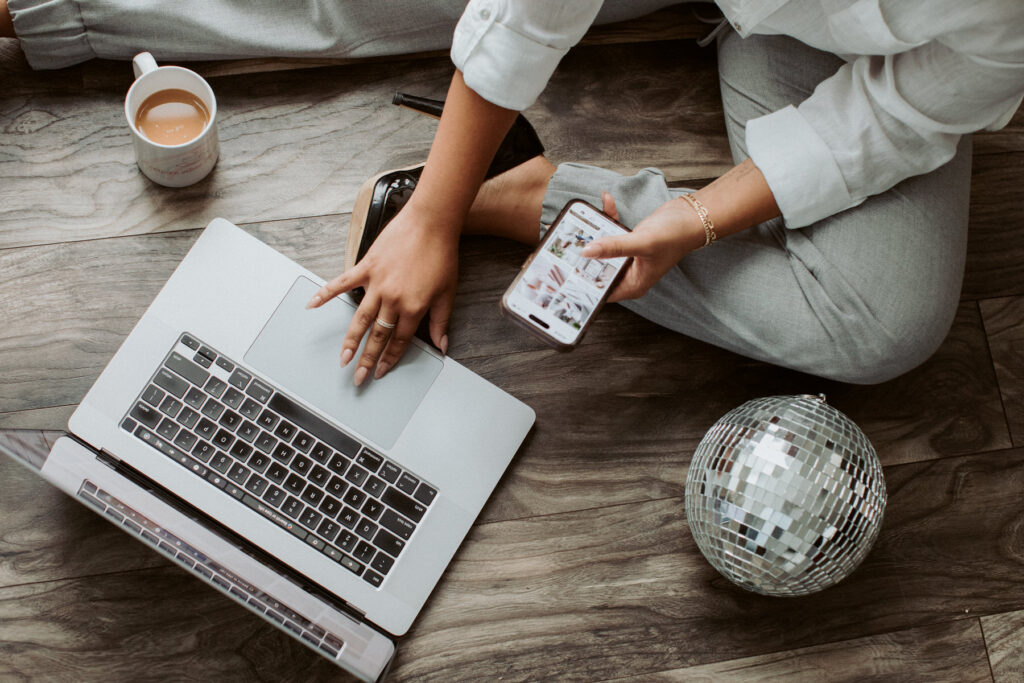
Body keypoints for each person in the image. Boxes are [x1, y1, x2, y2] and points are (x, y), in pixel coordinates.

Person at [5, 1, 1023, 385]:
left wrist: (693, 217)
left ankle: (524, 191)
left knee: (883, 326)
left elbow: (892, 118)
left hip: (844, 48)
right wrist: (429, 214)